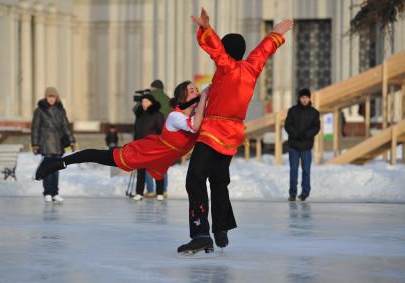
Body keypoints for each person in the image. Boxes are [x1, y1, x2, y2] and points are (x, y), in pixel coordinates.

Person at [177, 8, 293, 254]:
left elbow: (215, 49)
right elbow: (262, 51)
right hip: (233, 135)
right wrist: (276, 34)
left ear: (227, 52)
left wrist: (206, 29)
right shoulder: (251, 69)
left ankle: (200, 233)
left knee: (195, 177)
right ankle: (221, 229)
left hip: (213, 131)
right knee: (219, 181)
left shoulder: (227, 67)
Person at [34, 81, 209, 200]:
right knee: (95, 155)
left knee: (96, 155)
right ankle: (57, 163)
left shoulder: (195, 116)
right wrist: (205, 95)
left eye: (197, 90)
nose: (197, 92)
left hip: (154, 157)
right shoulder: (175, 117)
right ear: (182, 98)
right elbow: (194, 126)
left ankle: (55, 162)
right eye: (192, 90)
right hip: (140, 152)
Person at [31, 87, 76, 203]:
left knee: (56, 169)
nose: (51, 99)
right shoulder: (40, 110)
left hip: (58, 144)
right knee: (47, 169)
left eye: (53, 97)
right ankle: (47, 193)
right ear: (46, 97)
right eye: (49, 96)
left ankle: (55, 193)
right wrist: (35, 144)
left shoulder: (60, 110)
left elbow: (66, 126)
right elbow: (35, 128)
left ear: (56, 98)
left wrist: (72, 141)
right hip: (45, 143)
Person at [284, 88, 320, 202]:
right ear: (299, 98)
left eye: (306, 97)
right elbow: (287, 125)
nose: (304, 100)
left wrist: (306, 134)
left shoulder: (314, 113)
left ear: (309, 98)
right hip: (294, 146)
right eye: (302, 97)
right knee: (293, 170)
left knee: (306, 170)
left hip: (306, 146)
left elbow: (316, 127)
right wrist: (296, 134)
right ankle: (292, 194)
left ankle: (305, 193)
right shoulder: (292, 111)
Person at [132, 93, 164, 200]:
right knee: (140, 170)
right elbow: (136, 131)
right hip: (140, 146)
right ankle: (139, 193)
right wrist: (134, 144)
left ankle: (160, 192)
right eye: (142, 102)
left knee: (157, 169)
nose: (144, 104)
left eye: (146, 101)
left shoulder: (157, 115)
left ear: (152, 102)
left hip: (153, 147)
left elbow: (162, 131)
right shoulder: (139, 115)